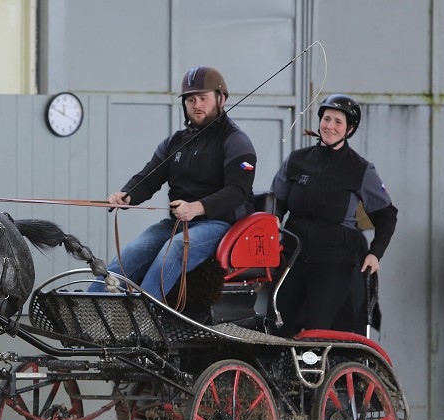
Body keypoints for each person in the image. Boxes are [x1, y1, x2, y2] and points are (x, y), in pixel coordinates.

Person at [90, 66, 257, 302]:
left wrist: (196, 207)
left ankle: (141, 314)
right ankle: (85, 309)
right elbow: (149, 177)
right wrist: (127, 195)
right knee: (130, 253)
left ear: (221, 99)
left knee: (174, 250)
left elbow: (238, 192)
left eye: (203, 98)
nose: (197, 104)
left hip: (220, 224)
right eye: (190, 99)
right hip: (176, 222)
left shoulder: (236, 141)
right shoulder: (175, 142)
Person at [271, 94, 397, 337]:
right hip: (292, 258)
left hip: (333, 263)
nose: (330, 126)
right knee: (275, 327)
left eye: (338, 122)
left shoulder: (360, 169)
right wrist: (274, 218)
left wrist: (375, 252)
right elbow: (277, 201)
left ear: (349, 129)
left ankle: (313, 373)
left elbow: (387, 215)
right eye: (326, 119)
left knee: (316, 331)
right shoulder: (297, 160)